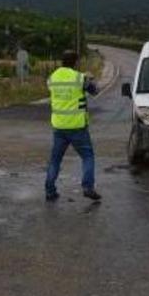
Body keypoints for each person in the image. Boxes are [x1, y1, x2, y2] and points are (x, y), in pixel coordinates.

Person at [44, 50, 101, 202]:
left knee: (55, 160)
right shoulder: (80, 78)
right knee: (88, 156)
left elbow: (53, 90)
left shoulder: (52, 78)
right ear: (76, 62)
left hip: (59, 127)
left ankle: (50, 190)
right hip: (77, 126)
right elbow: (95, 91)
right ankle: (88, 187)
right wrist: (91, 78)